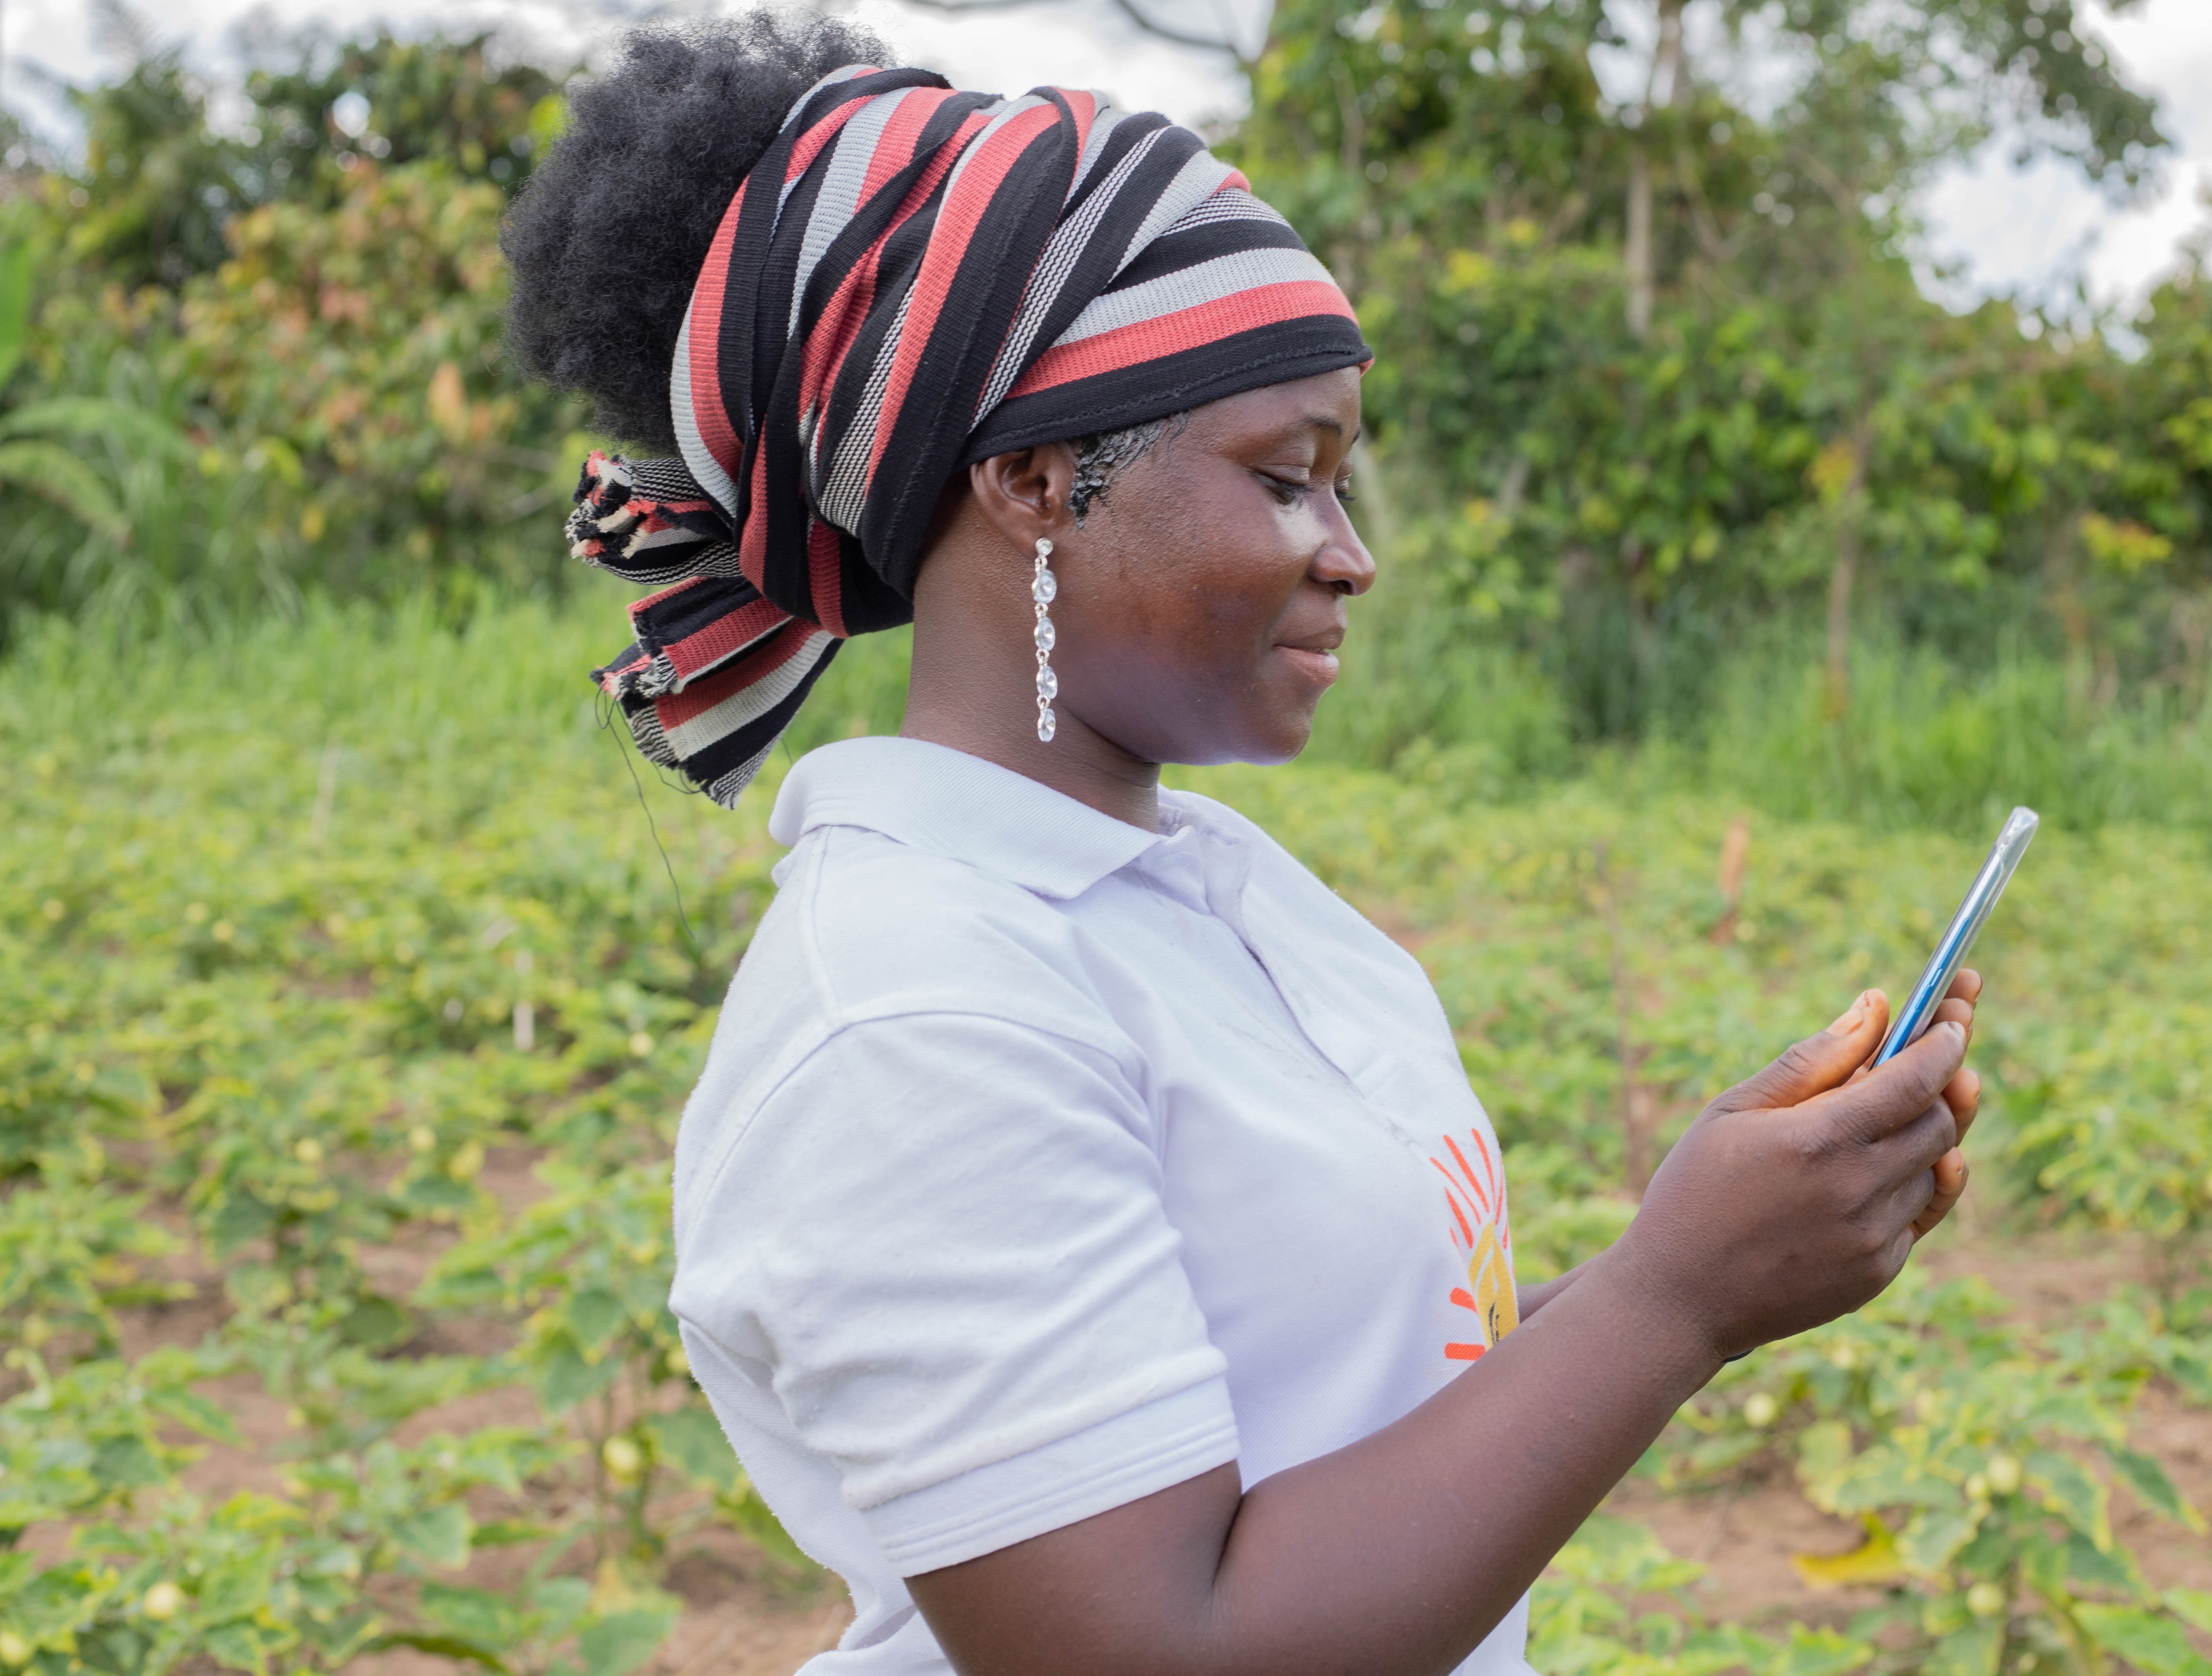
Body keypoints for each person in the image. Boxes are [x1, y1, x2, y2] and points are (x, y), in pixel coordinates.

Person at [503, 17, 1983, 1675]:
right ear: (1033, 477)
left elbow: (1348, 1417)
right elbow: (1162, 1646)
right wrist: (1673, 1305)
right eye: (1290, 478)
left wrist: (1697, 1243)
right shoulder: (914, 1017)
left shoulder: (1216, 892)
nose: (1350, 556)